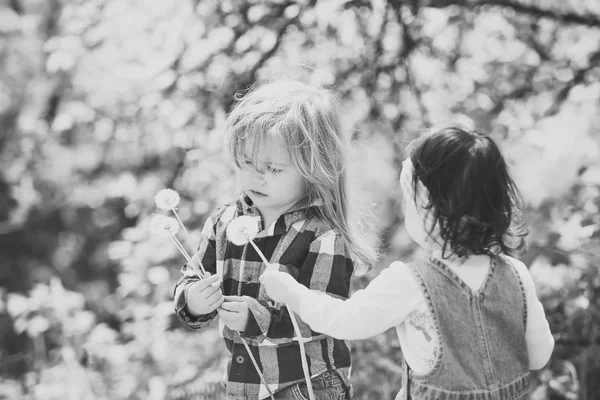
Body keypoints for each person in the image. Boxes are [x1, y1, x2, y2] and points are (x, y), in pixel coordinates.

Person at [261, 125, 555, 400]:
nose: (405, 208)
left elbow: (345, 320)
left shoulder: (411, 282)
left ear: (431, 209)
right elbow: (539, 355)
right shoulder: (516, 274)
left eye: (409, 200)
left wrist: (291, 292)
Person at [173, 79, 377, 399]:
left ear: (313, 167)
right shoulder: (225, 222)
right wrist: (194, 301)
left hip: (309, 385)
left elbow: (325, 316)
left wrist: (258, 319)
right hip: (247, 385)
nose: (257, 177)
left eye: (274, 168)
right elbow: (192, 277)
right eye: (247, 163)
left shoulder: (321, 236)